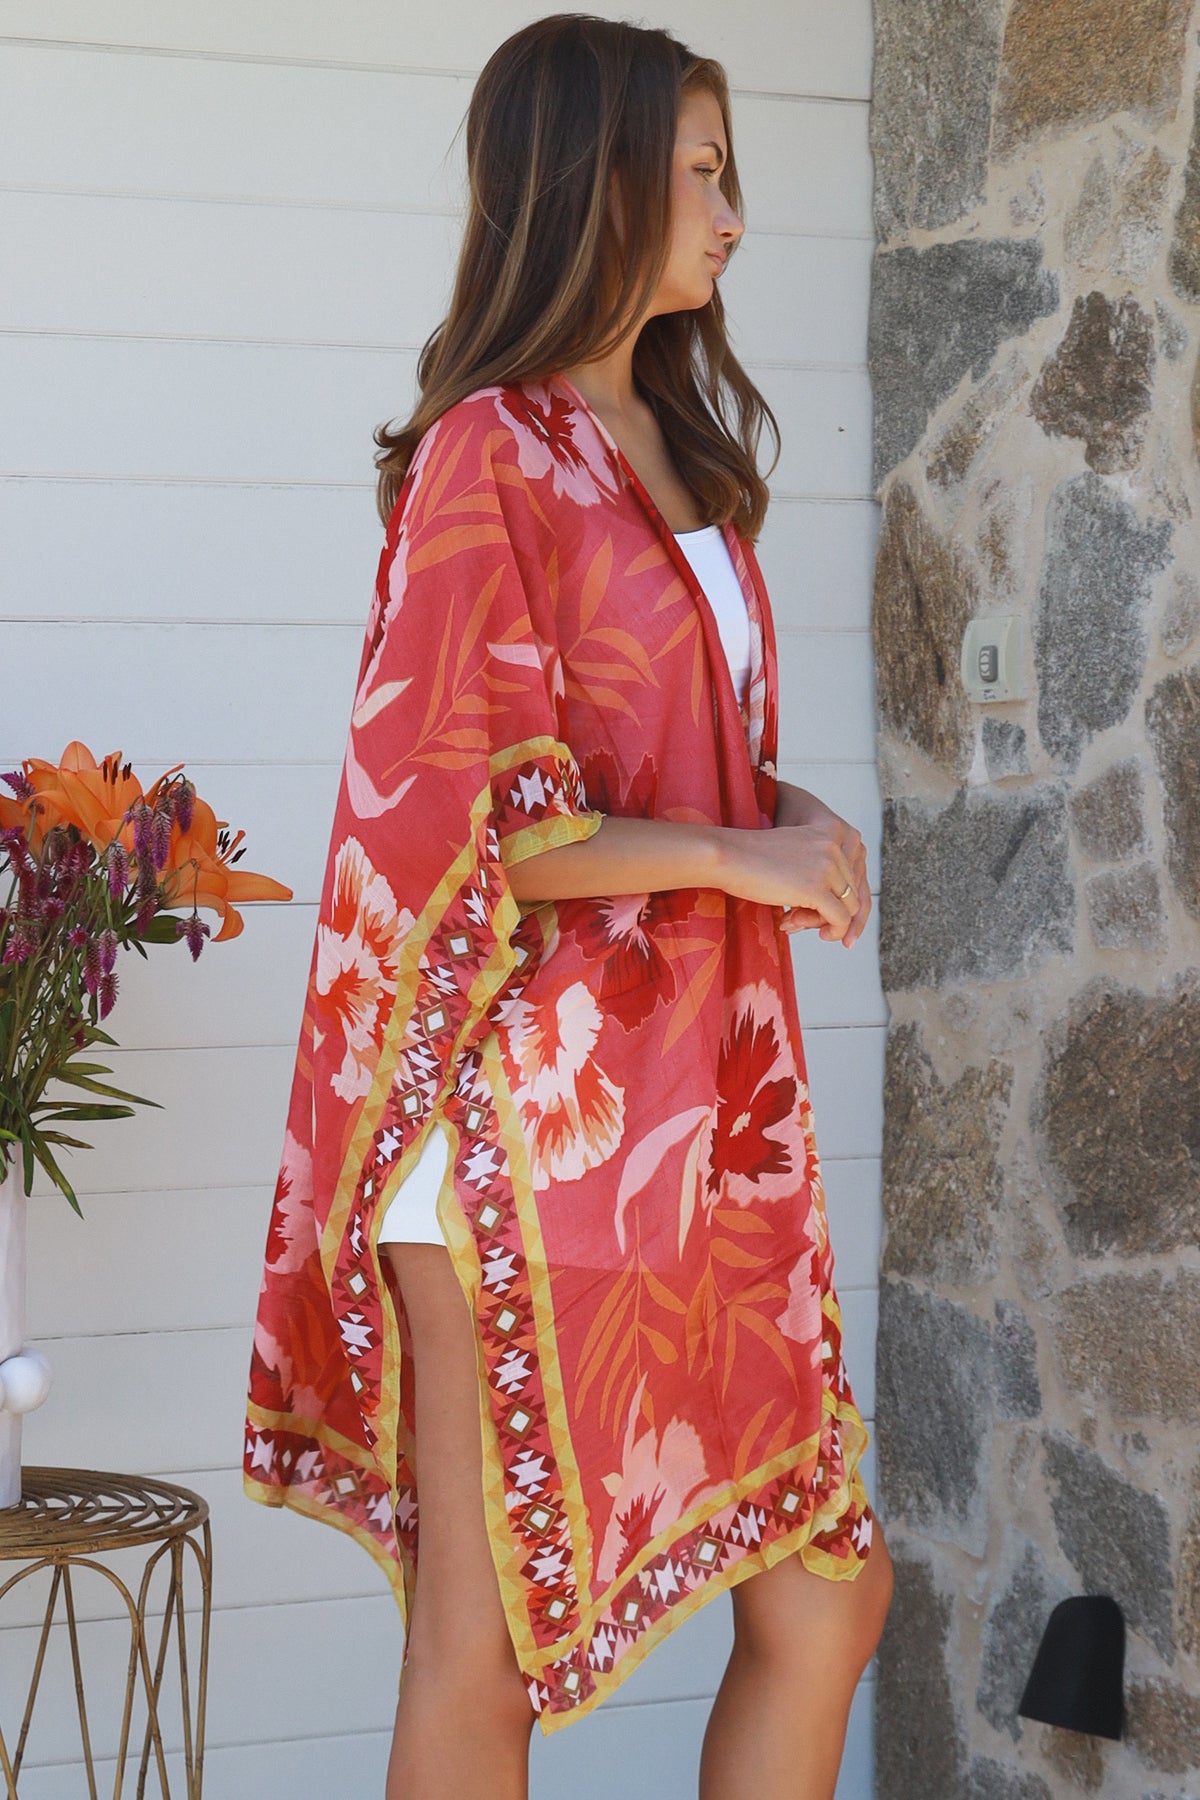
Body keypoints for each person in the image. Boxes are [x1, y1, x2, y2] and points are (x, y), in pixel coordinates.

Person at [243, 14, 894, 1799]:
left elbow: (663, 763)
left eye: (730, 172)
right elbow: (470, 823)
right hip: (519, 1129)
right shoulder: (490, 452)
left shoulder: (667, 441)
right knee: (483, 1646)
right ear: (592, 180)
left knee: (828, 1594)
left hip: (703, 1116)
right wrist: (736, 858)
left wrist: (783, 814)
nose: (733, 213)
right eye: (699, 172)